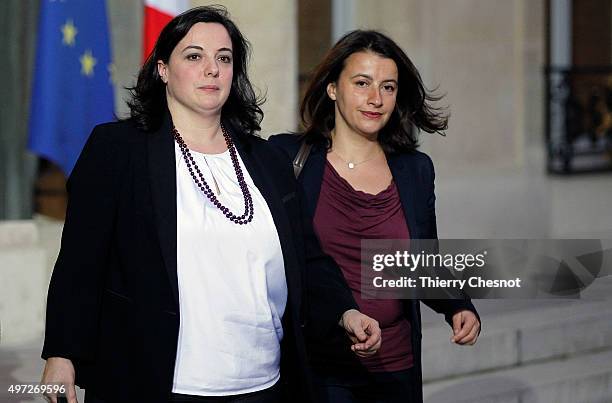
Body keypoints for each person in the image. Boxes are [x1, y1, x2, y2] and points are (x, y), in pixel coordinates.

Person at [40, 7, 381, 403]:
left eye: (224, 58)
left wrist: (346, 311)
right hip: (158, 383)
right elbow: (81, 262)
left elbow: (307, 257)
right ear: (164, 69)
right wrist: (62, 354)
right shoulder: (118, 150)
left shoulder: (267, 160)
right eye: (194, 56)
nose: (212, 69)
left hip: (265, 383)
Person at [269, 30, 481, 403]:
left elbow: (421, 263)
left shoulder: (415, 170)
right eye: (362, 83)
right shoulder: (289, 159)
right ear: (333, 88)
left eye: (387, 87)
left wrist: (458, 306)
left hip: (395, 367)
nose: (375, 99)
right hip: (322, 367)